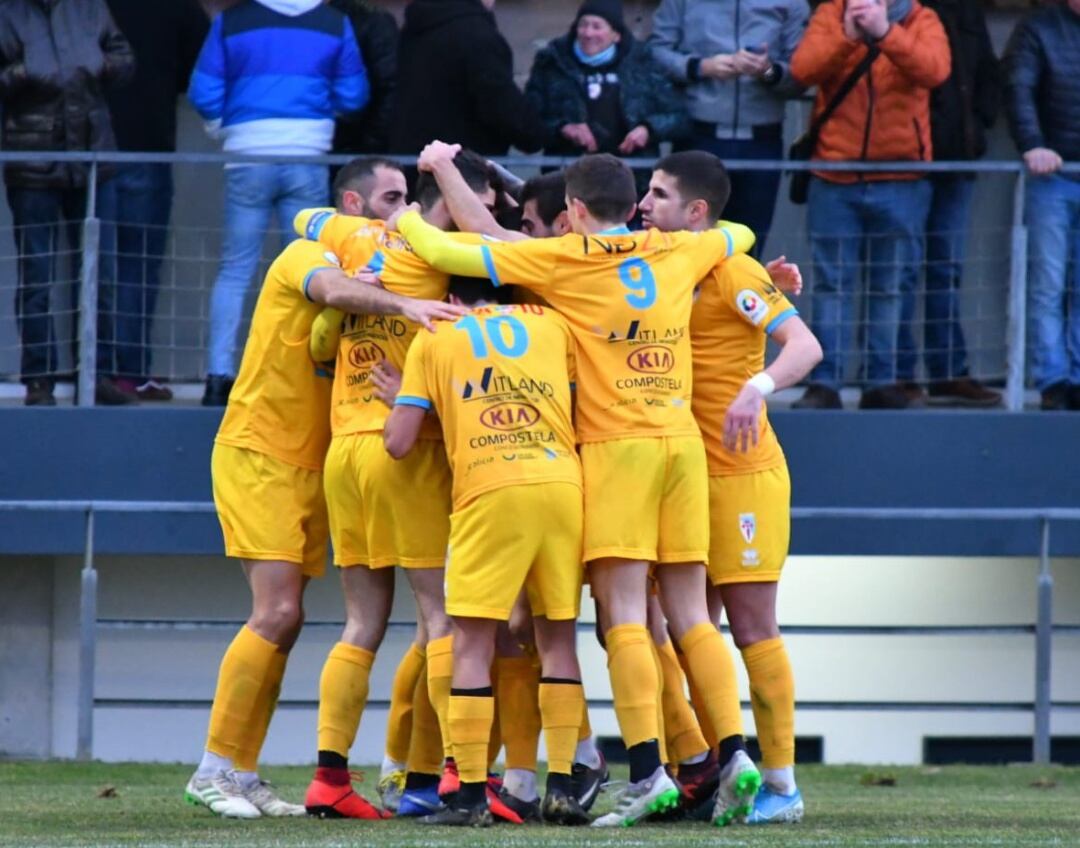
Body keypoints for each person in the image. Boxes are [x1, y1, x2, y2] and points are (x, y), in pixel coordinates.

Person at [390, 153, 765, 828]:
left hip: (616, 447)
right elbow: (738, 235)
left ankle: (648, 771)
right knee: (688, 613)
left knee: (621, 614)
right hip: (681, 443)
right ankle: (734, 751)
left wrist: (422, 197)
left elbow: (458, 244)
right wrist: (724, 240)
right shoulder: (679, 248)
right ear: (631, 202)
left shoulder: (566, 258)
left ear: (579, 210)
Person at [186, 163, 465, 820]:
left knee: (299, 620)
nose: (400, 215)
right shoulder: (308, 254)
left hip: (326, 458)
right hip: (262, 450)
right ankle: (212, 767)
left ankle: (244, 772)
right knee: (278, 612)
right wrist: (401, 303)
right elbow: (332, 290)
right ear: (351, 204)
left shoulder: (382, 264)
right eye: (390, 200)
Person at [293, 153, 512, 821]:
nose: (490, 216)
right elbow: (514, 259)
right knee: (443, 616)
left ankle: (330, 778)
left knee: (362, 622)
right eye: (483, 201)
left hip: (345, 451)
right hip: (401, 446)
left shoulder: (361, 238)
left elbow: (311, 231)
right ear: (455, 198)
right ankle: (458, 774)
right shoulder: (448, 251)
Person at [639, 150, 822, 824]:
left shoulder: (733, 270)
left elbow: (803, 346)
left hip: (741, 474)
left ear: (696, 212)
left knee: (750, 628)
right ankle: (709, 768)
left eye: (658, 194)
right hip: (679, 474)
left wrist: (758, 386)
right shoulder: (653, 269)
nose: (644, 203)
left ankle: (781, 786)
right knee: (677, 630)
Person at [380, 283, 590, 828]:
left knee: (470, 639)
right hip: (564, 485)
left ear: (449, 291)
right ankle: (563, 787)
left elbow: (399, 443)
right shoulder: (551, 323)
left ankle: (470, 794)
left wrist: (403, 401)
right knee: (557, 637)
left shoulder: (437, 336)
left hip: (490, 490)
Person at [189, 0, 369, 406]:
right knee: (309, 269)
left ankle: (218, 377)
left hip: (247, 155)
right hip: (308, 152)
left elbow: (204, 90)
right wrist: (317, 116)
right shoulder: (334, 22)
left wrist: (225, 127)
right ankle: (302, 373)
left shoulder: (231, 22)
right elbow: (354, 94)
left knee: (235, 270)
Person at [790, 0, 951, 410]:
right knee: (831, 285)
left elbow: (935, 70)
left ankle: (881, 381)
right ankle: (825, 382)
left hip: (900, 178)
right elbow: (802, 70)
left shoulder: (919, 17)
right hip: (834, 176)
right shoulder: (832, 14)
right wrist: (847, 36)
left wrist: (884, 33)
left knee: (889, 285)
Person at [0, 0, 135, 407]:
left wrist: (102, 65)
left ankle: (96, 375)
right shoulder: (7, 11)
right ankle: (38, 380)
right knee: (37, 277)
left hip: (91, 156)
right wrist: (23, 73)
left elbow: (124, 58)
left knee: (100, 272)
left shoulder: (89, 7)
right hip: (33, 159)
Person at [896, 0, 1001, 408]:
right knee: (899, 270)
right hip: (904, 160)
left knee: (946, 268)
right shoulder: (903, 9)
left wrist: (979, 124)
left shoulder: (966, 11)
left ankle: (947, 373)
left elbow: (989, 73)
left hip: (957, 157)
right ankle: (898, 374)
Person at [105, 0, 209, 401]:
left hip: (82, 146)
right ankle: (129, 375)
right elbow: (200, 69)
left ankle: (90, 372)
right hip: (147, 146)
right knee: (137, 266)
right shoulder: (176, 7)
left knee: (86, 263)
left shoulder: (79, 7)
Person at [649, 0, 809, 257]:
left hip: (761, 140)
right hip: (699, 136)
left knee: (749, 246)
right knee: (687, 244)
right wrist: (702, 67)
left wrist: (767, 71)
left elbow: (802, 74)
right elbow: (655, 53)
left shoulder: (791, 4)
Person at [1004, 0, 1080, 411]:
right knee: (1049, 284)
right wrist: (1033, 145)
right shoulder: (1039, 29)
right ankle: (1054, 381)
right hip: (1052, 177)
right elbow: (1018, 87)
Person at [524, 0, 689, 162]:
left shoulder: (643, 62)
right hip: (569, 171)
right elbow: (530, 116)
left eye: (597, 26)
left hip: (633, 175)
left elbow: (678, 116)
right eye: (583, 25)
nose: (588, 33)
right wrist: (563, 128)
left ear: (616, 35)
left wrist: (649, 129)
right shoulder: (552, 62)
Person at [390, 0, 543, 155]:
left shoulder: (415, 29)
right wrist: (536, 132)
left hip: (418, 160)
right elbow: (501, 105)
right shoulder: (478, 36)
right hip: (463, 167)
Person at [331, 0, 397, 154]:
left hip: (357, 146)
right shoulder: (287, 21)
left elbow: (392, 88)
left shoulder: (372, 20)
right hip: (310, 140)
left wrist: (370, 145)